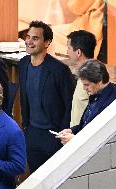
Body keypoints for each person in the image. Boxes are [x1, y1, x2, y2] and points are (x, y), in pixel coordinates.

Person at [18, 20, 75, 173]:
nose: (29, 41)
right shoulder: (23, 64)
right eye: (28, 37)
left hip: (53, 135)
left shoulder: (59, 70)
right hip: (32, 133)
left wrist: (62, 134)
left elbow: (70, 104)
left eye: (35, 38)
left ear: (47, 42)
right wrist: (26, 129)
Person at [56, 59, 116, 144]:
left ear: (99, 81)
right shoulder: (95, 94)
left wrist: (75, 139)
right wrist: (71, 130)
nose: (84, 88)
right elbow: (84, 126)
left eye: (87, 85)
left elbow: (101, 138)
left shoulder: (113, 102)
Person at [67, 30, 97, 126]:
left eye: (69, 48)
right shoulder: (83, 73)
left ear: (78, 52)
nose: (67, 52)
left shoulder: (92, 76)